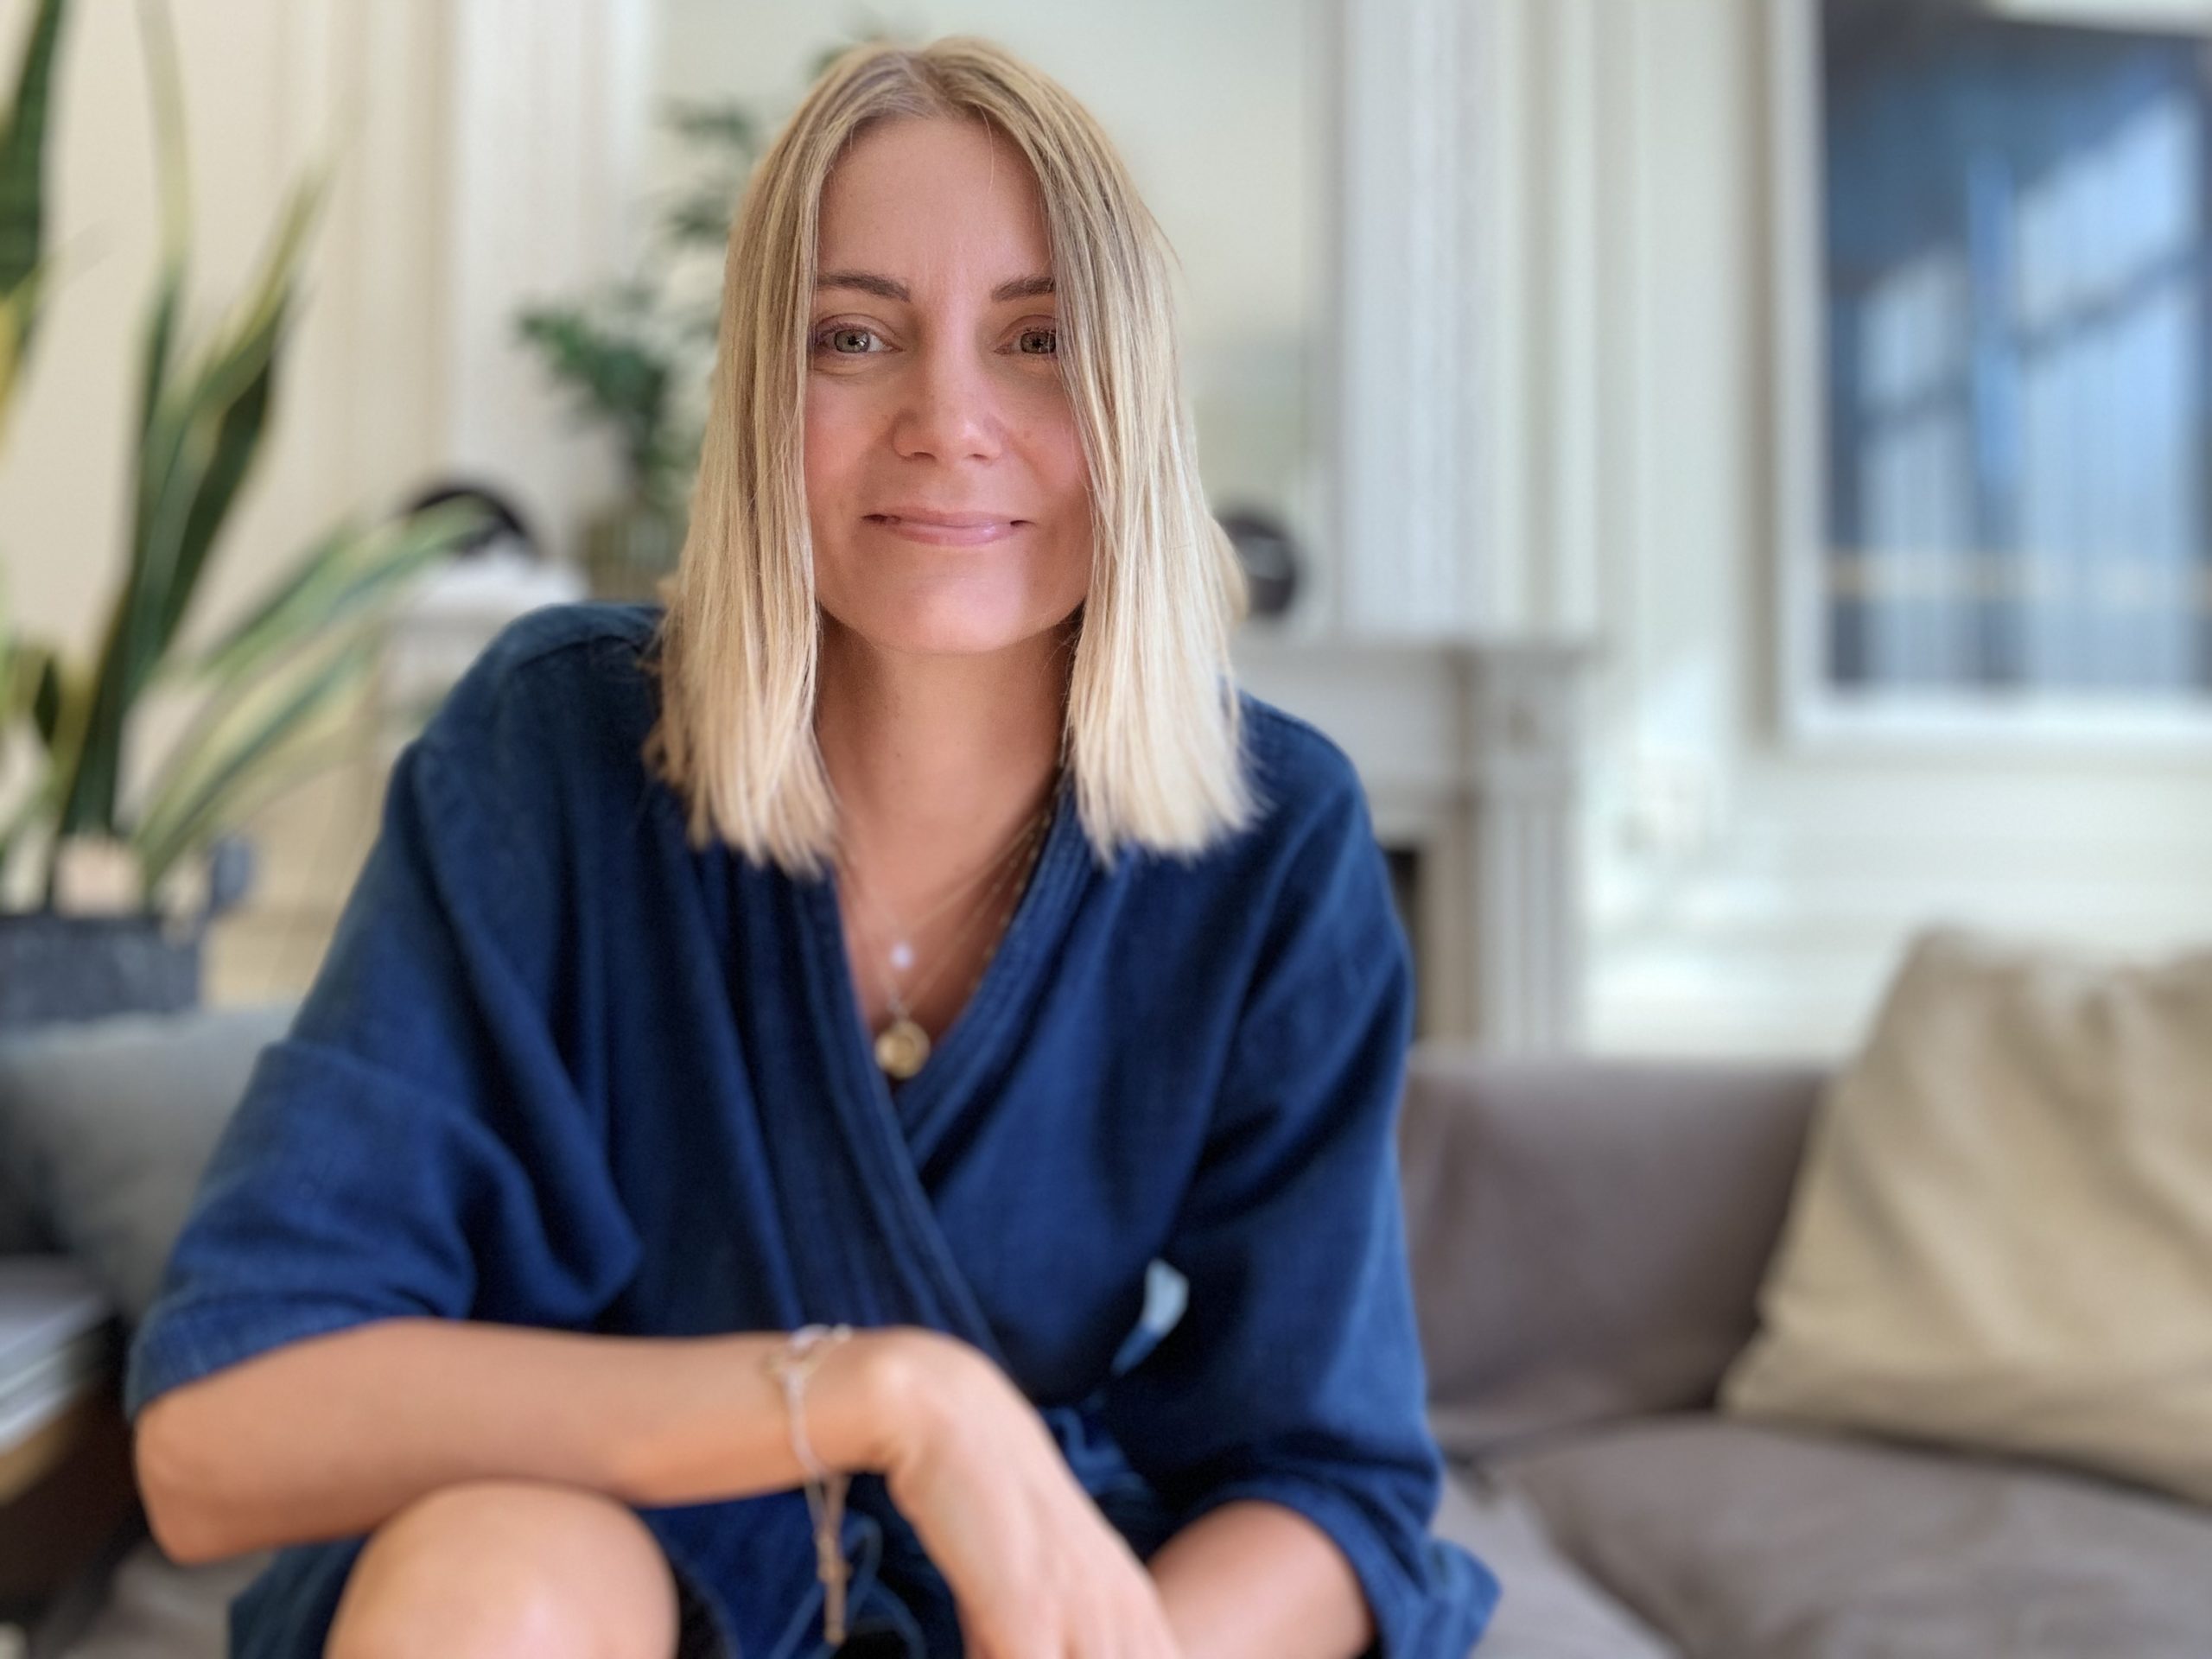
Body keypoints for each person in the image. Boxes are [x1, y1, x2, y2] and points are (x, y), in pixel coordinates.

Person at [121, 35, 1502, 1659]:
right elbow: (216, 1433)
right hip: (581, 1572)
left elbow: (1329, 1483)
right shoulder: (550, 750)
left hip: (1013, 1603)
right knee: (506, 1563)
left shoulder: (1278, 841)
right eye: (854, 337)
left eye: (1039, 341)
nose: (949, 422)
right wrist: (884, 1398)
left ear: (1135, 401)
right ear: (761, 395)